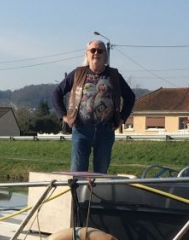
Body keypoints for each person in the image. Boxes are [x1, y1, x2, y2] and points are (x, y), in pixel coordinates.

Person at [51, 40, 136, 173]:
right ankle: (78, 194)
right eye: (93, 50)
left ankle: (97, 193)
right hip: (81, 130)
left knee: (101, 172)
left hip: (105, 131)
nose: (96, 53)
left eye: (100, 50)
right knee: (77, 173)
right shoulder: (78, 73)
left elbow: (130, 97)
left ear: (105, 55)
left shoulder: (114, 75)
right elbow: (56, 93)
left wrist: (122, 119)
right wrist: (63, 116)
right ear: (87, 54)